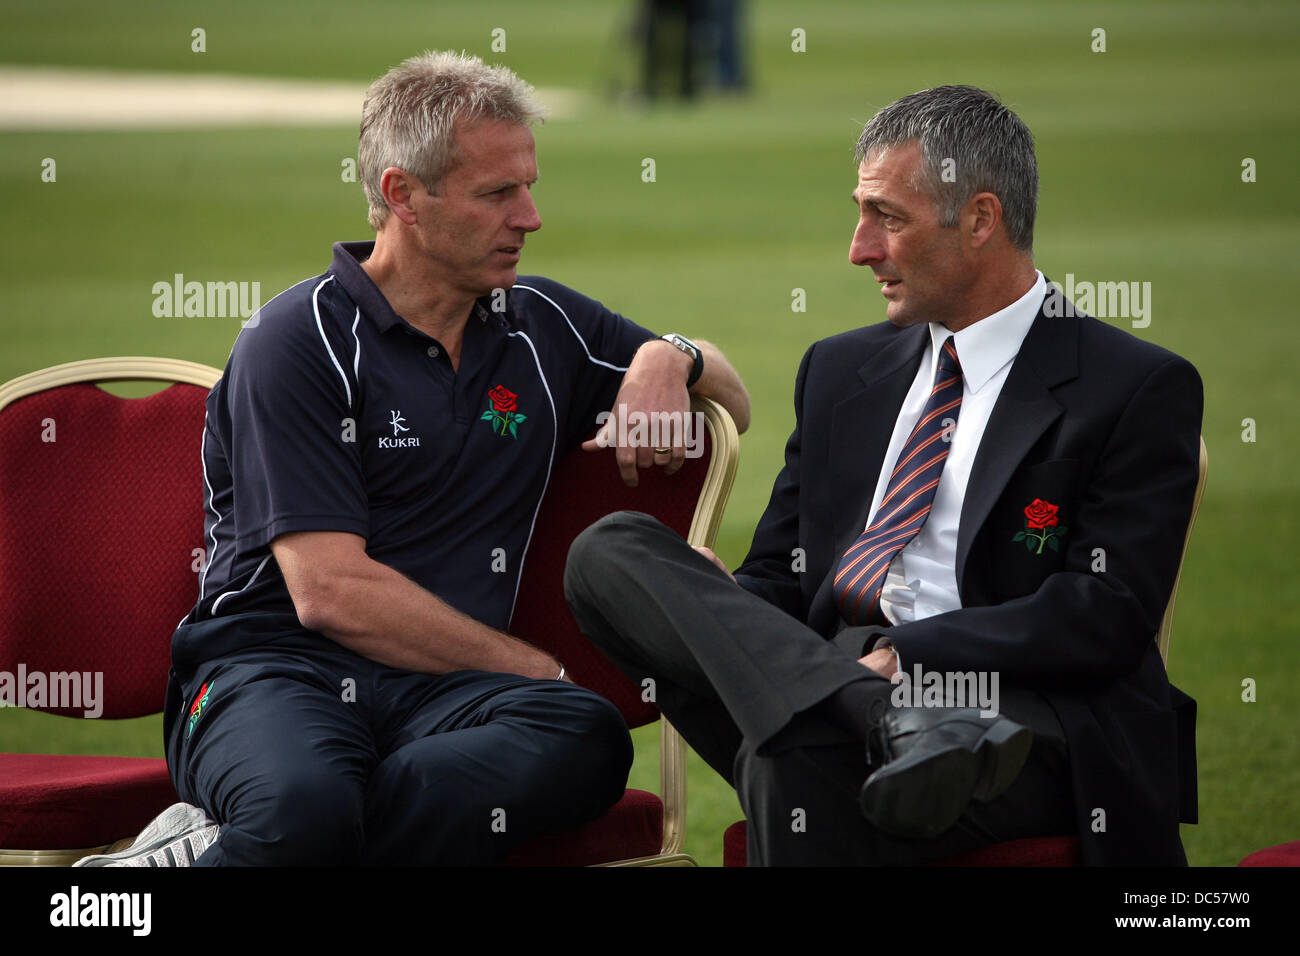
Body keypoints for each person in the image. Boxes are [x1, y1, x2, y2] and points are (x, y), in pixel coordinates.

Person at [76, 50, 749, 867]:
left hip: (443, 693)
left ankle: (221, 849)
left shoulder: (541, 325)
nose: (530, 216)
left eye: (529, 185)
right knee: (305, 801)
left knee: (587, 737)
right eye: (498, 193)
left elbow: (732, 405)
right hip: (271, 671)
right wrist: (533, 666)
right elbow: (331, 593)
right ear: (403, 196)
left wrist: (666, 357)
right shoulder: (298, 341)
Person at [565, 85, 1201, 866]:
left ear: (979, 219)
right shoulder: (840, 370)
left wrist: (913, 659)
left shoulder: (1133, 385)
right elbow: (782, 580)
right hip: (841, 672)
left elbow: (1105, 612)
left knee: (790, 759)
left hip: (1017, 718)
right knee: (609, 553)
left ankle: (883, 716)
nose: (859, 248)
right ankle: (878, 719)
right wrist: (718, 597)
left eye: (887, 218)